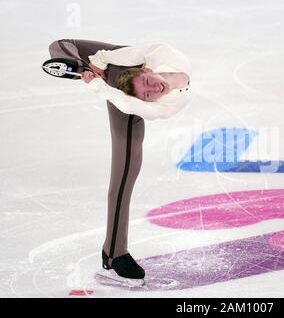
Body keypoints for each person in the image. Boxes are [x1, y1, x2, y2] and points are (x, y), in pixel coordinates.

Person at [47, 39, 192, 287]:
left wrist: (97, 74)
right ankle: (114, 255)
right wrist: (95, 72)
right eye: (148, 91)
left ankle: (79, 65)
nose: (155, 89)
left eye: (149, 85)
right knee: (127, 170)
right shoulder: (142, 82)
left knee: (131, 165)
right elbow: (121, 88)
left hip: (125, 80)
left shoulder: (161, 77)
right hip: (119, 76)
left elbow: (129, 98)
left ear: (148, 70)